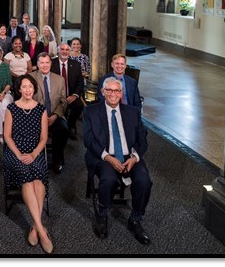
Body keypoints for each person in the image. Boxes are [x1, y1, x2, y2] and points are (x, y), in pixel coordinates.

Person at [83, 77, 152, 245]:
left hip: (130, 156)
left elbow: (143, 139)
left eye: (116, 91)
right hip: (104, 155)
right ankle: (103, 215)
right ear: (103, 92)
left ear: (121, 93)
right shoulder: (91, 111)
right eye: (109, 90)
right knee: (109, 179)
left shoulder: (132, 112)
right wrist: (108, 157)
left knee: (144, 180)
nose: (113, 94)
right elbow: (88, 140)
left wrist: (135, 158)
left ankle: (135, 218)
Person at [3, 74, 52, 254]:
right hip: (15, 152)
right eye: (24, 87)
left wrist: (33, 154)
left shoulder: (41, 109)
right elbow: (7, 136)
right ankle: (42, 231)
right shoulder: (11, 108)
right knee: (26, 177)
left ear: (34, 89)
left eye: (30, 86)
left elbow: (44, 138)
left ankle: (34, 226)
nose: (27, 90)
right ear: (19, 89)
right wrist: (19, 154)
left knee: (38, 177)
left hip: (35, 151)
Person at [32, 53, 68, 173]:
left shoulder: (60, 79)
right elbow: (27, 100)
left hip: (55, 115)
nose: (45, 65)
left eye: (47, 62)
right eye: (42, 62)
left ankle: (57, 160)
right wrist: (41, 117)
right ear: (37, 64)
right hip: (35, 116)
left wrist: (55, 116)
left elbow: (63, 102)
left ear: (51, 64)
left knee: (63, 129)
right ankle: (35, 160)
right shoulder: (30, 78)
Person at [51, 43, 85, 140]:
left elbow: (80, 83)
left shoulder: (76, 65)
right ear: (58, 51)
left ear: (69, 52)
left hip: (70, 96)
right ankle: (56, 127)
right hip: (55, 97)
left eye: (67, 50)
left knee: (79, 105)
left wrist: (74, 95)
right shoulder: (51, 63)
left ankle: (69, 127)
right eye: (62, 49)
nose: (64, 51)